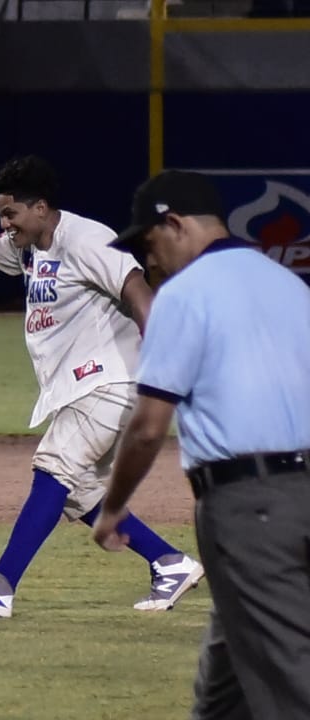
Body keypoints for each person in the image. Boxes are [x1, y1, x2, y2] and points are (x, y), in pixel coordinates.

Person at [0, 155, 203, 618]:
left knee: (54, 467)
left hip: (110, 380)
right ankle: (168, 562)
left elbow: (138, 291)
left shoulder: (86, 238)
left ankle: (1, 583)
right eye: (0, 214)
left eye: (10, 213)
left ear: (40, 207)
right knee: (80, 489)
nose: (4, 222)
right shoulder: (25, 244)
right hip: (88, 385)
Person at [92, 170, 310, 717]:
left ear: (175, 223)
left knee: (290, 682)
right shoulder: (289, 284)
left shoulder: (185, 294)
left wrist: (113, 507)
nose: (150, 262)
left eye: (149, 243)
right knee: (225, 686)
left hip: (251, 510)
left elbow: (147, 427)